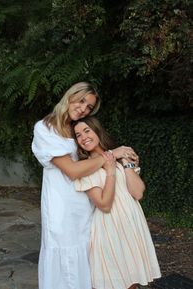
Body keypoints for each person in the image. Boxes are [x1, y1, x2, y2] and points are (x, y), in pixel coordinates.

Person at [31, 82, 138, 289]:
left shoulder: (75, 128)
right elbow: (72, 171)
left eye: (89, 107)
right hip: (61, 207)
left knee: (90, 259)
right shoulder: (45, 129)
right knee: (66, 261)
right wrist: (113, 154)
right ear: (70, 96)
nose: (83, 109)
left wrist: (125, 162)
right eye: (81, 101)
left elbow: (94, 157)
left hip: (87, 201)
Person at [73, 116, 161, 289]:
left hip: (132, 223)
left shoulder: (120, 155)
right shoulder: (86, 167)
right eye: (78, 135)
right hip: (109, 228)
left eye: (86, 131)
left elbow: (137, 192)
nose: (83, 137)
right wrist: (111, 173)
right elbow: (104, 205)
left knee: (132, 280)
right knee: (115, 281)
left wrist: (126, 164)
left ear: (97, 131)